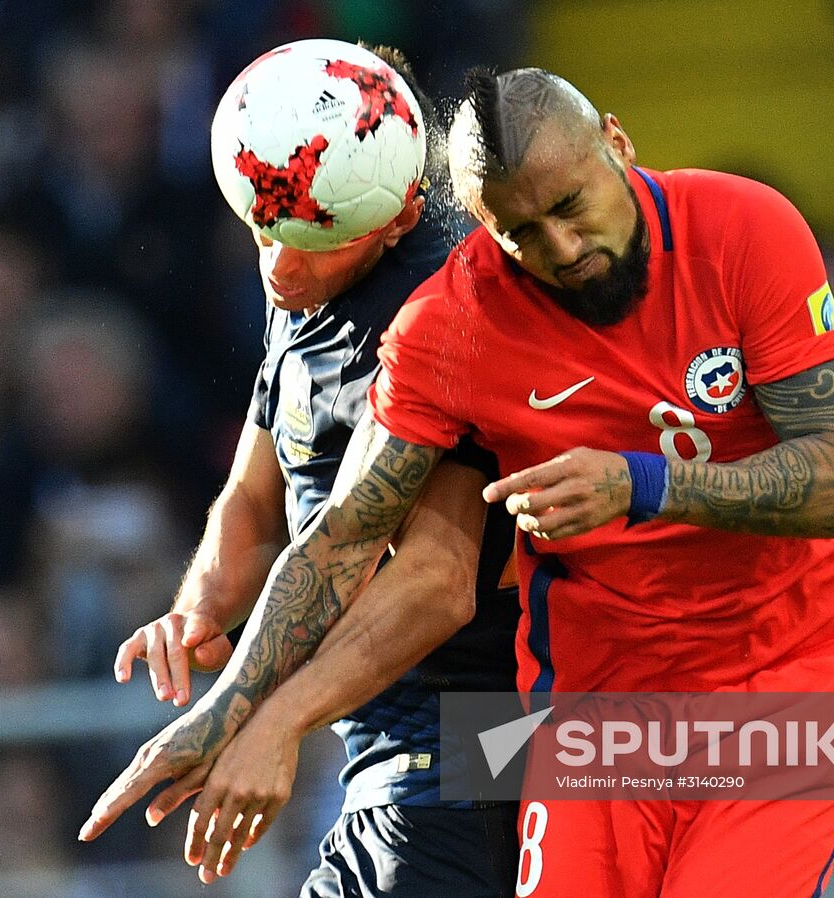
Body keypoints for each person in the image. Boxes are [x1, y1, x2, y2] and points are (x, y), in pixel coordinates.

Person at [82, 66, 834, 897]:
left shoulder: (741, 228)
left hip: (791, 662)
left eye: (572, 206)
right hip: (601, 686)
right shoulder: (452, 325)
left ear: (617, 143)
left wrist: (640, 483)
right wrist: (224, 714)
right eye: (523, 234)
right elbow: (340, 537)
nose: (563, 250)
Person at [79, 44, 522, 896]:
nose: (280, 268)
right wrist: (201, 606)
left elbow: (436, 581)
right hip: (392, 754)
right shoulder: (307, 238)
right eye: (265, 231)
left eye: (315, 244)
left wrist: (269, 719)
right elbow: (255, 494)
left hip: (480, 746)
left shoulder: (442, 313)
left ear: (398, 217)